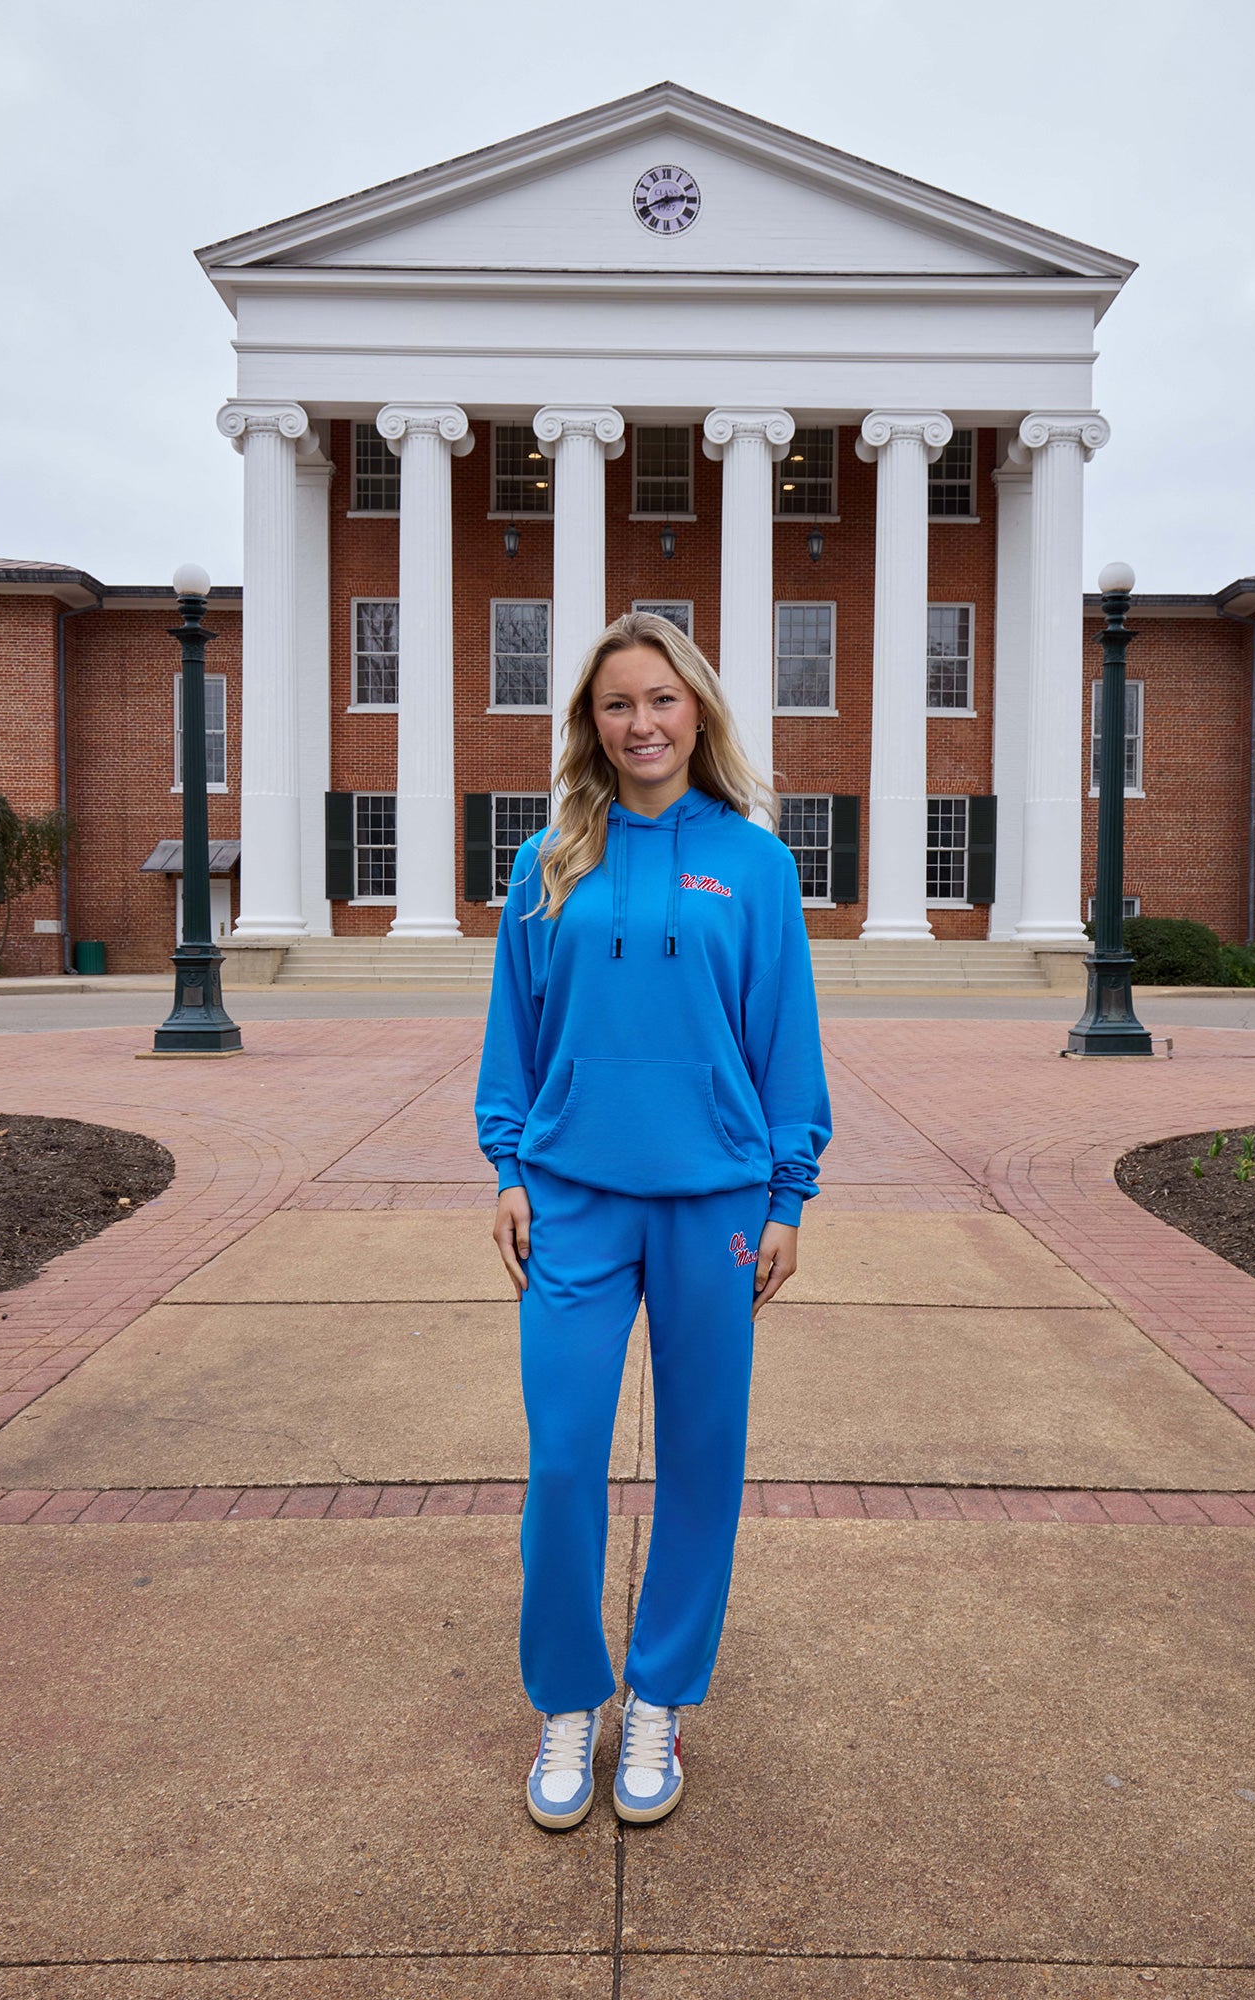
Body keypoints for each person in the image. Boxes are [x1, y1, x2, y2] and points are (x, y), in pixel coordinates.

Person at [474, 610, 832, 1832]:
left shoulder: (752, 861)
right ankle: (568, 1699)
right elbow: (511, 1036)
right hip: (570, 1196)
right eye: (618, 702)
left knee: (700, 1463)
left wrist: (789, 1189)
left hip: (716, 1200)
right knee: (565, 1456)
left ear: (699, 714)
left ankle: (662, 1697)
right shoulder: (547, 861)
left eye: (662, 700)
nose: (642, 723)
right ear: (591, 721)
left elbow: (785, 1036)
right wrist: (508, 1164)